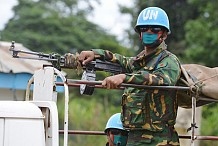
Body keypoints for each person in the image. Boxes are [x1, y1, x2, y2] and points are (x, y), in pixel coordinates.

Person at [65, 6, 181, 146]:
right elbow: (122, 60)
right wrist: (96, 54)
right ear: (139, 33)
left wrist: (123, 78)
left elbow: (162, 79)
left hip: (159, 140)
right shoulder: (140, 61)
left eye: (155, 29)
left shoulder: (169, 60)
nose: (149, 32)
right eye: (144, 29)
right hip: (134, 138)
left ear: (164, 34)